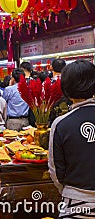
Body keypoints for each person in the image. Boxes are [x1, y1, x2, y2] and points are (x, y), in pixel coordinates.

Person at [49, 59, 95, 218]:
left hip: (75, 203)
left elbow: (55, 170)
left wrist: (69, 191)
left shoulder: (60, 124)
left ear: (65, 88)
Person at [49, 58, 72, 125]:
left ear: (51, 68)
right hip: (69, 114)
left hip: (53, 116)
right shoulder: (70, 82)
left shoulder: (47, 83)